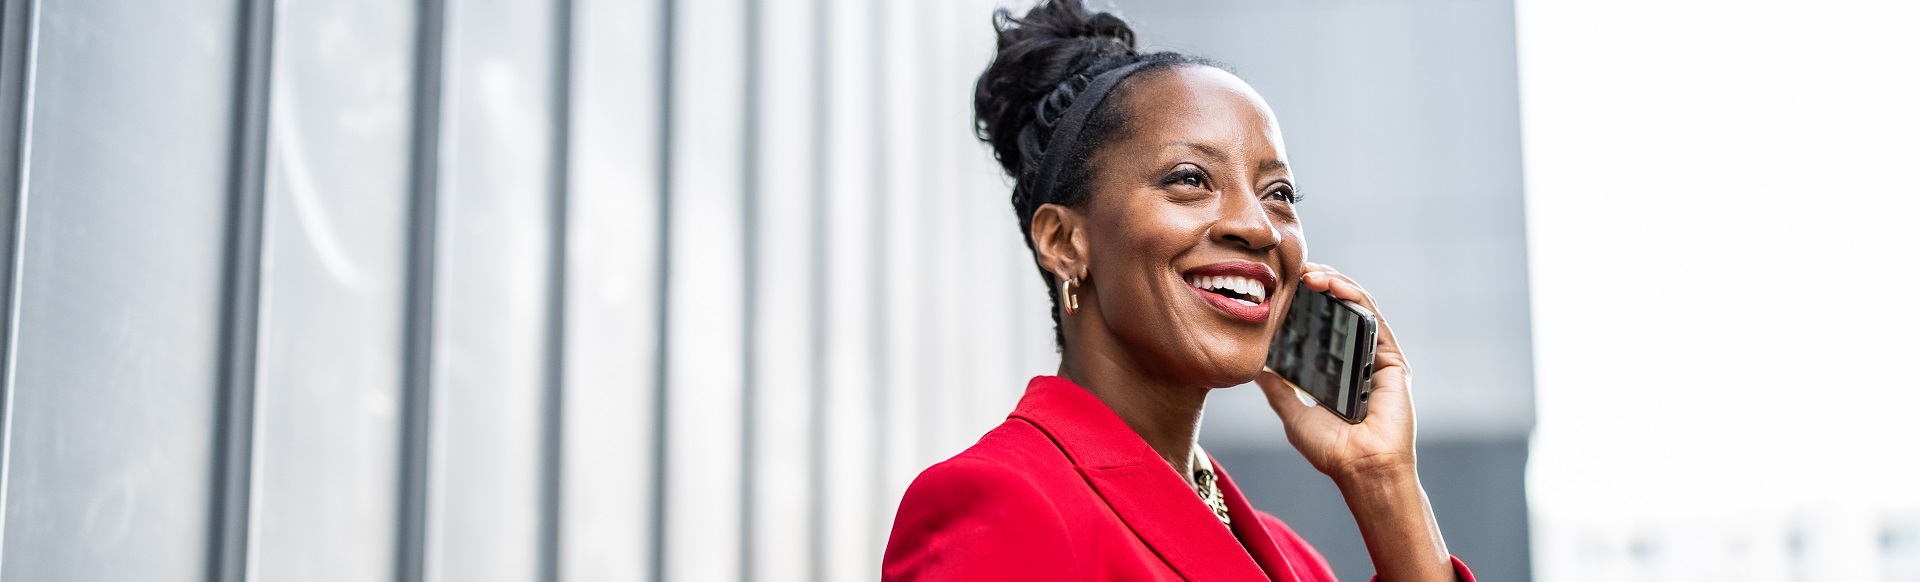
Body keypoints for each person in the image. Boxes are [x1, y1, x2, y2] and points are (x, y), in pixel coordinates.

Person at [881, 1, 1476, 580]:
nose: (1258, 226)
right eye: (1190, 179)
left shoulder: (1297, 562)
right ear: (1064, 241)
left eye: (1279, 194)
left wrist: (1384, 483)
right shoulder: (1002, 503)